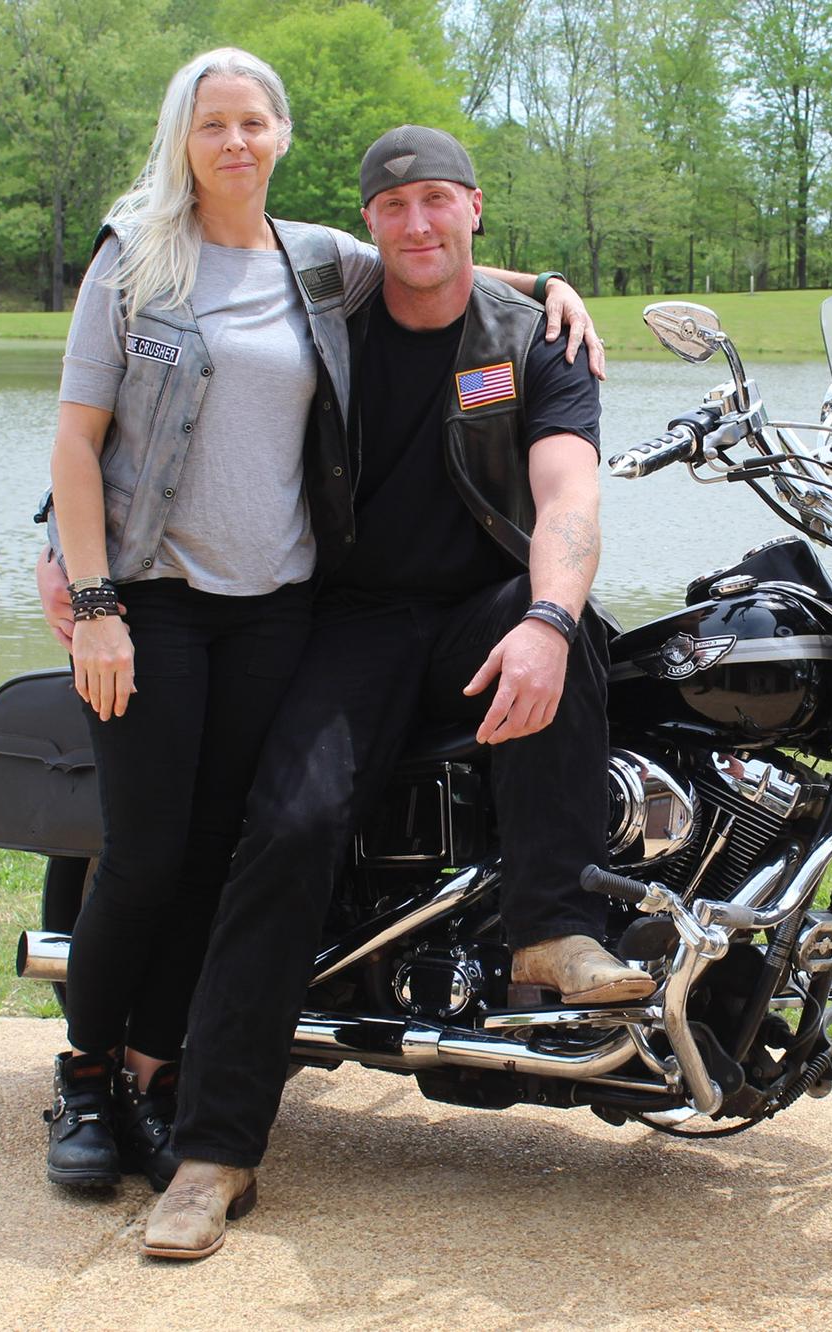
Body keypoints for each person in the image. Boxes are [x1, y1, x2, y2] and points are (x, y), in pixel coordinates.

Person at [38, 53, 602, 1198]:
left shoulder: (403, 292)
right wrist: (70, 562)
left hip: (321, 607)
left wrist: (550, 286)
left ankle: (549, 924)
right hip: (234, 606)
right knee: (206, 845)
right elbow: (88, 430)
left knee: (223, 845)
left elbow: (555, 475)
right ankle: (143, 1107)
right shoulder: (178, 262)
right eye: (212, 125)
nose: (233, 142)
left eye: (252, 122)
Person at [139, 126, 648, 1261]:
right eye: (394, 207)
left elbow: (567, 494)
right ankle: (212, 1154)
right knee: (291, 828)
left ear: (474, 206)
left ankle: (554, 929)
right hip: (352, 620)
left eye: (438, 201)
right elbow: (171, 364)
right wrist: (62, 537)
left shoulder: (531, 342)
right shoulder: (328, 314)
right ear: (366, 225)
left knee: (562, 628)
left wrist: (547, 619)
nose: (418, 224)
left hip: (481, 602)